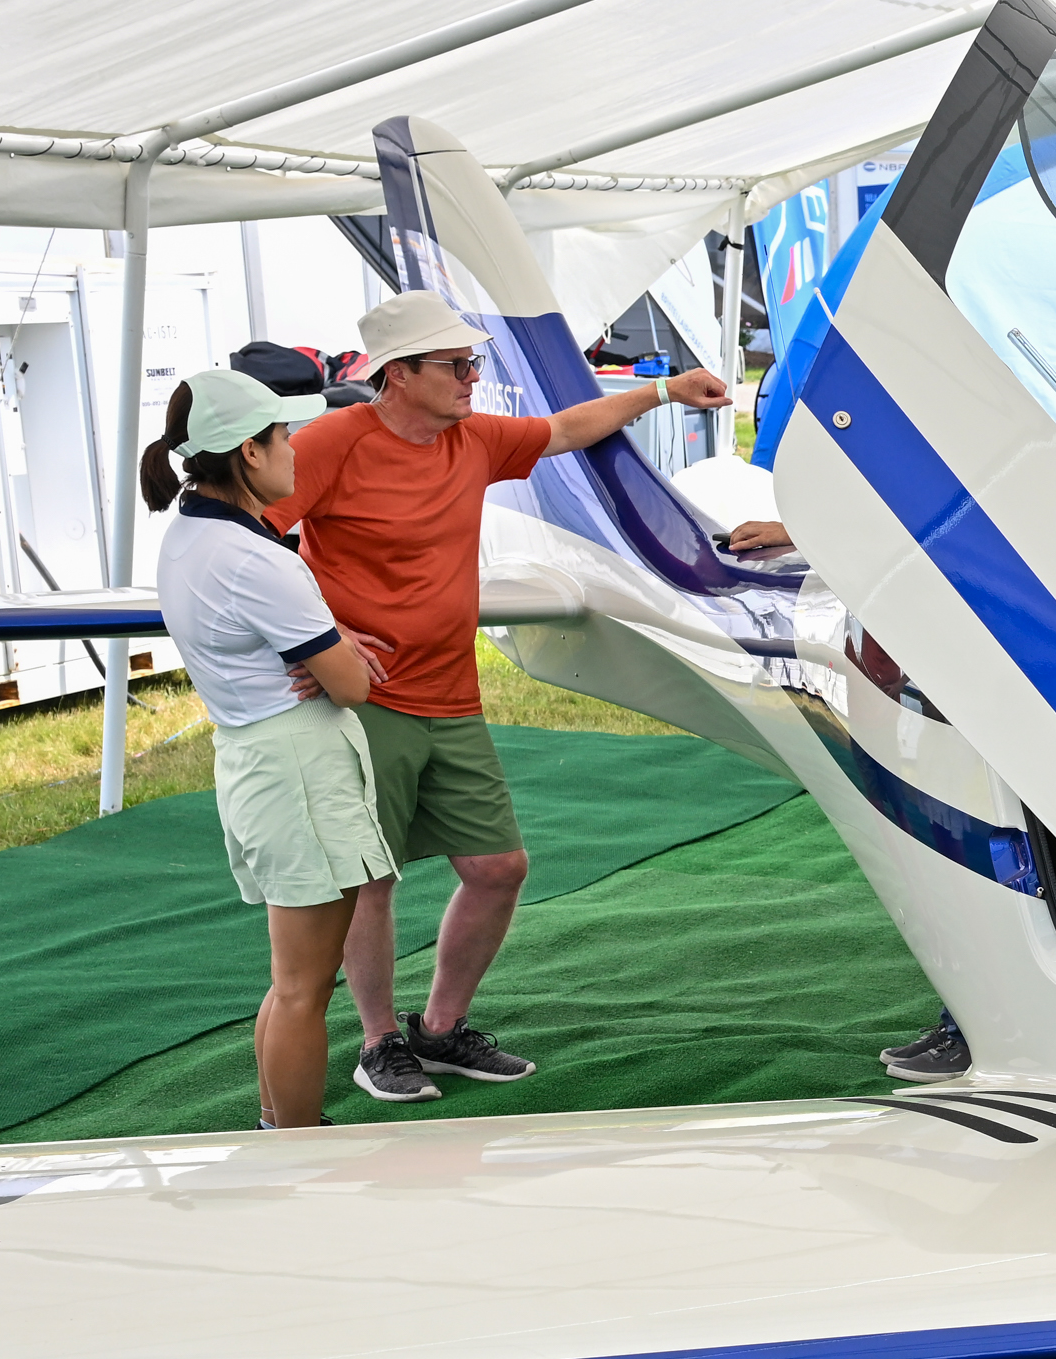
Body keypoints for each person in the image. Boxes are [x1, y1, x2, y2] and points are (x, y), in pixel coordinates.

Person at [274, 287, 775, 1104]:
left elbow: (565, 429)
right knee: (372, 879)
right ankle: (377, 1043)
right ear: (397, 376)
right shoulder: (333, 441)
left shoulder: (470, 437)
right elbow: (256, 536)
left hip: (451, 694)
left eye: (473, 362)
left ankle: (438, 1030)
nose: (473, 377)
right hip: (362, 702)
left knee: (499, 867)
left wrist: (661, 390)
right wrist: (317, 640)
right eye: (457, 365)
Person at [142, 367, 391, 1131]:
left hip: (257, 757)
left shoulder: (190, 534)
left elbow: (320, 658)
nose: (296, 449)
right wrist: (341, 654)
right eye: (285, 435)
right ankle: (297, 1143)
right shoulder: (259, 559)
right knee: (302, 987)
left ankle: (274, 1126)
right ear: (249, 453)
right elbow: (352, 683)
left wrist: (328, 650)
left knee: (293, 980)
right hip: (296, 770)